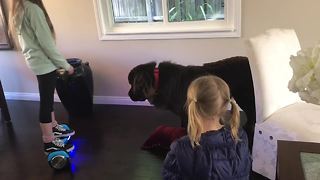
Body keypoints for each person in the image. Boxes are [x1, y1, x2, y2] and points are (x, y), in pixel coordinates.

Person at [8, 0, 75, 154]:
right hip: (44, 62)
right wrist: (66, 65)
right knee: (46, 101)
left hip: (36, 60)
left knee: (48, 97)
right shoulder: (33, 9)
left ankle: (53, 125)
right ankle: (49, 141)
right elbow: (47, 44)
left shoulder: (19, 8)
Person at [162, 75, 252, 180]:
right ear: (225, 105)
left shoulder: (181, 148)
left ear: (192, 106)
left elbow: (168, 176)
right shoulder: (241, 138)